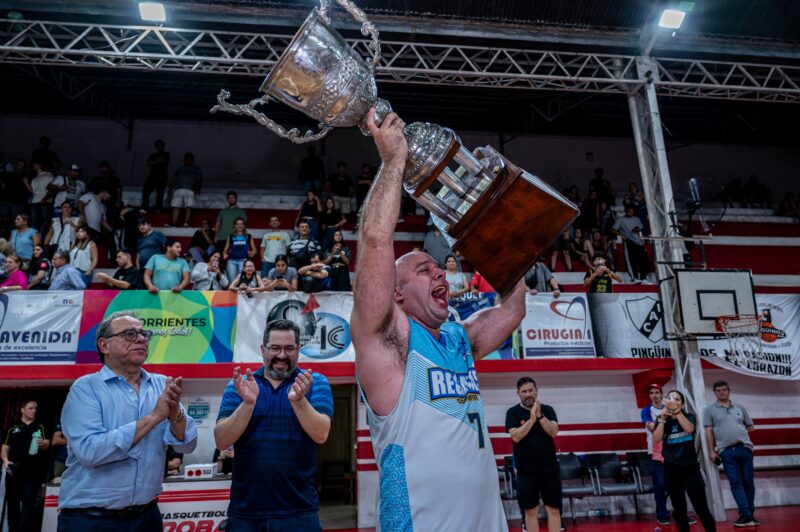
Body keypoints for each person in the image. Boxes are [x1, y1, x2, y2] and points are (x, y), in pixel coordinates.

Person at [351, 108, 524, 531]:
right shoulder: (388, 342)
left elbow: (512, 308)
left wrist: (500, 213)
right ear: (396, 293)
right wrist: (393, 162)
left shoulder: (459, 338)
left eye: (439, 267)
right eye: (424, 270)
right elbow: (375, 239)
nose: (440, 273)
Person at [57, 311, 198, 530]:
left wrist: (174, 415)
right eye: (130, 334)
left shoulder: (162, 384)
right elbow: (90, 451)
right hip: (91, 519)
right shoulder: (86, 388)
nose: (141, 339)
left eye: (144, 334)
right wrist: (154, 418)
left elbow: (187, 443)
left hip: (147, 516)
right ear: (104, 346)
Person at [214, 319, 333, 531]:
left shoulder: (314, 382)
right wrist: (248, 404)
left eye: (289, 348)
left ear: (298, 349)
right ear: (263, 349)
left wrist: (298, 401)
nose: (281, 355)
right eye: (275, 348)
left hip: (300, 513)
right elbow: (222, 440)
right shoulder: (240, 385)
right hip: (246, 514)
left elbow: (321, 434)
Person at [653, 390, 717, 532]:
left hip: (690, 469)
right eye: (670, 398)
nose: (672, 400)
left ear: (681, 404)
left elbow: (689, 429)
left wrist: (677, 412)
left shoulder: (689, 416)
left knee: (701, 508)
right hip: (671, 470)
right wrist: (662, 418)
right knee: (679, 509)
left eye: (676, 399)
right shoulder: (662, 419)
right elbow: (657, 438)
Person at [506, 378, 561, 532]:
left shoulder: (548, 410)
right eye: (524, 391)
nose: (528, 394)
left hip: (550, 469)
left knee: (554, 510)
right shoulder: (512, 412)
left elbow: (553, 431)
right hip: (526, 472)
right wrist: (531, 419)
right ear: (518, 393)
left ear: (536, 390)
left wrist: (540, 416)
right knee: (530, 511)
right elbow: (516, 436)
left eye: (531, 390)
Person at [703, 380, 758, 527]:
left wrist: (740, 434)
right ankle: (746, 515)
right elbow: (708, 431)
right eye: (718, 390)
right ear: (715, 393)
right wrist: (711, 450)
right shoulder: (710, 410)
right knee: (736, 483)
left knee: (749, 483)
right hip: (726, 451)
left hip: (744, 448)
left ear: (729, 391)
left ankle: (749, 515)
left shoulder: (739, 407)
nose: (722, 392)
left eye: (724, 389)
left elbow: (751, 426)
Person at [2, 399, 50, 532]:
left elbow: (47, 444)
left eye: (35, 408)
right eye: (30, 408)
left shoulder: (40, 426)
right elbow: (5, 448)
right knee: (13, 502)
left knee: (29, 501)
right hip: (14, 469)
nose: (34, 410)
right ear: (22, 410)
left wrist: (43, 443)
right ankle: (13, 528)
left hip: (32, 470)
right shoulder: (13, 426)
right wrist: (5, 461)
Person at [640, 384, 670, 526]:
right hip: (655, 452)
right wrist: (666, 425)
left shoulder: (669, 408)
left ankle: (681, 512)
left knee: (676, 484)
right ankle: (662, 514)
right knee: (659, 484)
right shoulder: (646, 411)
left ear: (661, 394)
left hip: (672, 452)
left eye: (657, 392)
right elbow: (652, 428)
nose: (654, 395)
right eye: (651, 393)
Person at [612, 206, 649, 283]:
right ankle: (634, 278)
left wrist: (637, 229)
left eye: (632, 211)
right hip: (629, 241)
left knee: (644, 260)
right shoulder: (621, 219)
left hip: (639, 242)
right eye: (629, 211)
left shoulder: (636, 219)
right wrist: (622, 235)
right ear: (626, 211)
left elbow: (640, 228)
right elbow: (613, 229)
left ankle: (643, 278)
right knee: (632, 261)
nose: (631, 213)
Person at [168, 152, 203, 228]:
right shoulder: (179, 168)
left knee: (188, 206)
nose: (188, 161)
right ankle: (173, 223)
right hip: (179, 188)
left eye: (189, 159)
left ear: (192, 160)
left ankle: (186, 223)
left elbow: (199, 180)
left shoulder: (196, 169)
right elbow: (174, 179)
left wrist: (198, 188)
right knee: (176, 205)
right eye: (186, 159)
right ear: (184, 160)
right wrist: (170, 187)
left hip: (190, 189)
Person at [223, 217, 256, 283]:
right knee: (232, 282)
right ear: (234, 226)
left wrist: (253, 252)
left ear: (244, 226)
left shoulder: (248, 236)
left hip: (243, 261)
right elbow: (225, 249)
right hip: (231, 261)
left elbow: (255, 250)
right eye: (237, 224)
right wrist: (224, 254)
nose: (239, 226)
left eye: (241, 224)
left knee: (242, 281)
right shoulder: (231, 236)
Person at [135, 218, 166, 288]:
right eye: (139, 225)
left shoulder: (157, 234)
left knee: (155, 290)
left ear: (149, 226)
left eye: (144, 224)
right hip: (142, 270)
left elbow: (167, 248)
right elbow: (138, 256)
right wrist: (138, 270)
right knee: (142, 291)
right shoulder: (139, 240)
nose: (141, 227)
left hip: (156, 268)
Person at [141, 139, 170, 211]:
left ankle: (158, 208)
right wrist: (157, 160)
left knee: (160, 193)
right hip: (152, 176)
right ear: (156, 146)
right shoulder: (152, 155)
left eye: (161, 145)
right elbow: (148, 163)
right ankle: (144, 207)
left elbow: (164, 160)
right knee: (146, 191)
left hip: (162, 177)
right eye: (158, 145)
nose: (160, 147)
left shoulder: (166, 154)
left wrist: (154, 161)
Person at [29, 161, 55, 235]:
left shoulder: (49, 174)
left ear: (40, 165)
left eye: (35, 164)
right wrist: (27, 183)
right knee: (34, 221)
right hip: (35, 201)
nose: (34, 165)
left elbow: (51, 188)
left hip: (46, 201)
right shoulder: (34, 178)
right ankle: (34, 239)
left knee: (45, 221)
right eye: (33, 165)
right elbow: (33, 192)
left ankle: (42, 239)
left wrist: (45, 198)